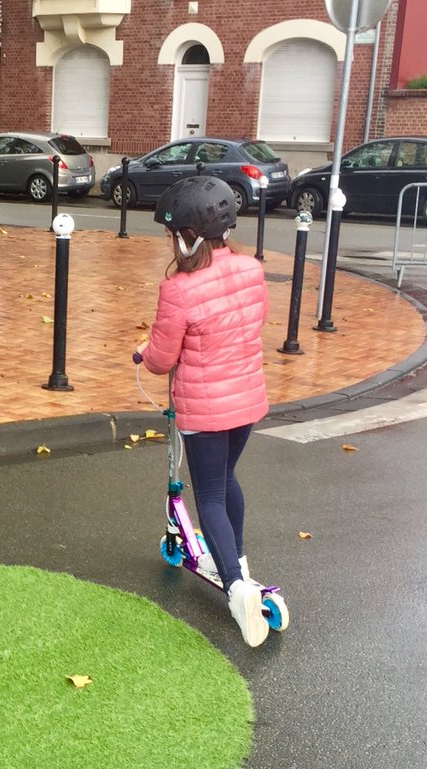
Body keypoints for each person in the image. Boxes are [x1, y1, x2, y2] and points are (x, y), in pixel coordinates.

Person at [135, 175, 272, 647]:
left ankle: (235, 588)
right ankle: (240, 562)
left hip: (205, 409)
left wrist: (144, 353)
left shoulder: (179, 288)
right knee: (228, 478)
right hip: (246, 400)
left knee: (209, 494)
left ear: (187, 234)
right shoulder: (252, 269)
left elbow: (161, 359)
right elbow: (247, 324)